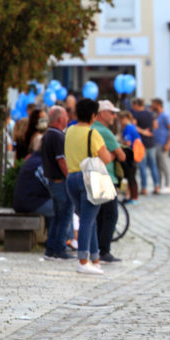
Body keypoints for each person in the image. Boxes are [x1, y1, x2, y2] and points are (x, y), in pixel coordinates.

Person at [64, 98, 112, 275]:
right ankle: (83, 261)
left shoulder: (69, 130)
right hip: (88, 178)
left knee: (88, 219)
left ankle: (95, 259)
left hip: (71, 177)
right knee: (87, 220)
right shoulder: (92, 133)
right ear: (93, 115)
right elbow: (106, 158)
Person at [93, 100, 126, 262]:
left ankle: (96, 249)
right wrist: (112, 155)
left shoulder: (90, 129)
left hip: (93, 176)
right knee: (111, 214)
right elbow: (122, 156)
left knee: (99, 215)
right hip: (106, 177)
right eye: (111, 112)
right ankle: (104, 250)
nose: (114, 116)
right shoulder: (105, 132)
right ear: (101, 114)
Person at [41, 106, 74, 260]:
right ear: (60, 119)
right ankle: (60, 249)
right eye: (66, 116)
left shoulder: (48, 134)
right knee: (65, 215)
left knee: (57, 216)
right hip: (60, 182)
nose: (68, 119)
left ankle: (51, 249)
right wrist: (70, 177)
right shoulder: (58, 136)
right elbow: (61, 160)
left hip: (52, 181)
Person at [12, 135, 54, 221]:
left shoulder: (34, 159)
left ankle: (55, 230)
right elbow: (50, 185)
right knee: (65, 206)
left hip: (25, 202)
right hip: (31, 204)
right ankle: (63, 231)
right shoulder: (40, 163)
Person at [131, 98, 159, 195]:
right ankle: (157, 186)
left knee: (142, 166)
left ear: (137, 104)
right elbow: (156, 125)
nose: (132, 107)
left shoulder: (136, 114)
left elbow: (133, 126)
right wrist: (149, 130)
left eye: (133, 105)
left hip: (141, 143)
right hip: (151, 142)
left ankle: (144, 188)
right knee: (153, 165)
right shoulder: (150, 113)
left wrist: (143, 131)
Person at [151, 98, 170, 194]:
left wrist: (168, 143)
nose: (152, 106)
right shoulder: (157, 116)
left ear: (158, 105)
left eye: (153, 104)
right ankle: (159, 185)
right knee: (158, 166)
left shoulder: (165, 116)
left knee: (164, 165)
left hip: (163, 143)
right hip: (156, 143)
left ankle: (168, 185)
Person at [118, 111, 141, 204]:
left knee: (130, 177)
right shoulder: (132, 127)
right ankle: (132, 196)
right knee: (132, 177)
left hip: (130, 155)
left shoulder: (128, 128)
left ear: (125, 118)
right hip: (134, 155)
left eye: (121, 119)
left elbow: (128, 143)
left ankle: (132, 197)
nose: (120, 121)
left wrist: (120, 141)